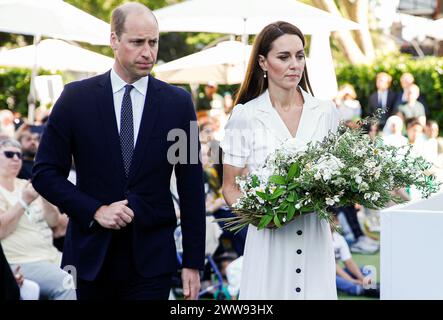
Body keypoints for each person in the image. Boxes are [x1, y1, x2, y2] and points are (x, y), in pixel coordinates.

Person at [32, 2, 205, 300]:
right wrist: (95, 210)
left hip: (152, 259)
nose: (148, 52)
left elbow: (191, 185)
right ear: (114, 40)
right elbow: (45, 173)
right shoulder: (76, 98)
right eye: (137, 42)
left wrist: (193, 262)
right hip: (89, 257)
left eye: (153, 42)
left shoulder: (178, 103)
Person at [220, 21, 338, 299]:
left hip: (315, 240)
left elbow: (336, 178)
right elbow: (230, 187)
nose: (294, 64)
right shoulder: (245, 116)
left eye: (299, 55)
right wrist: (263, 218)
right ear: (263, 61)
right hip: (269, 243)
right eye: (283, 57)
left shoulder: (325, 112)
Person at [0, 138, 75, 300]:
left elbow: (55, 224)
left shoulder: (26, 185)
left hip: (52, 257)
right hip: (21, 262)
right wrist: (24, 201)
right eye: (9, 154)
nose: (15, 159)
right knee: (69, 283)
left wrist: (45, 197)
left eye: (19, 156)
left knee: (91, 275)